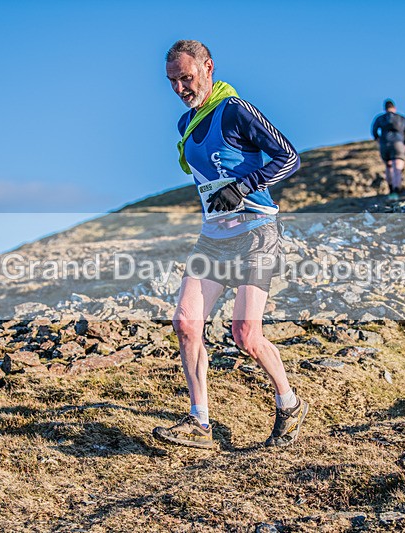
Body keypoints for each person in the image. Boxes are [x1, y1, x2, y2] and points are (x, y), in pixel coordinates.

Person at [152, 40, 308, 449]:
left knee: (246, 335)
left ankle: (290, 403)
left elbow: (289, 157)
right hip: (214, 237)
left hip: (256, 233)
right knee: (186, 323)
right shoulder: (185, 124)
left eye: (186, 77)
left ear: (208, 67)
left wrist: (242, 187)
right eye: (172, 81)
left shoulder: (235, 110)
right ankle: (199, 422)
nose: (180, 88)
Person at [371, 99, 405, 199]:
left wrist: (378, 139)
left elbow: (374, 131)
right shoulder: (402, 118)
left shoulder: (380, 118)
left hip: (384, 144)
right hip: (398, 143)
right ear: (394, 108)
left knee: (388, 166)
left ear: (385, 109)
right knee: (397, 167)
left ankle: (391, 190)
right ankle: (396, 189)